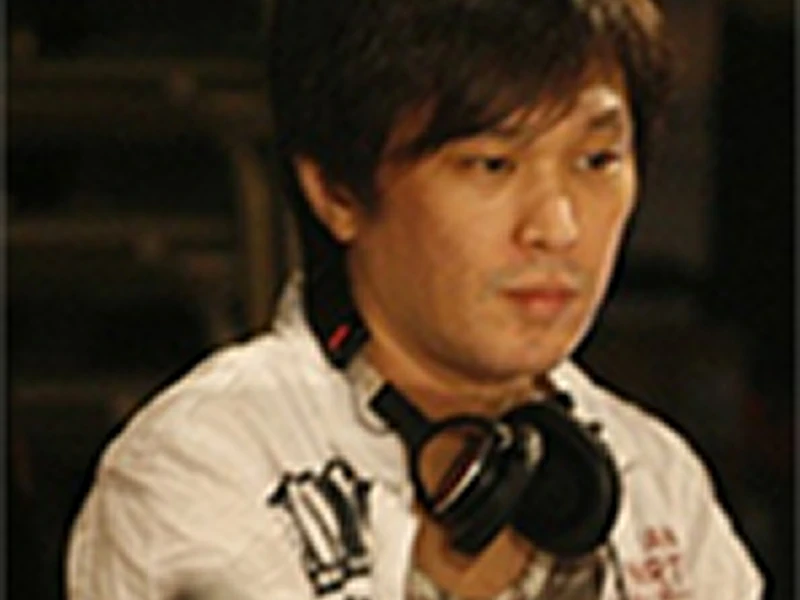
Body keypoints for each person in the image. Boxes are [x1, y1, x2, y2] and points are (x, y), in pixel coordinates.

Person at [67, 0, 764, 598]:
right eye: (492, 164)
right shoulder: (204, 467)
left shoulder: (659, 479)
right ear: (336, 189)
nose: (558, 227)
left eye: (597, 161)